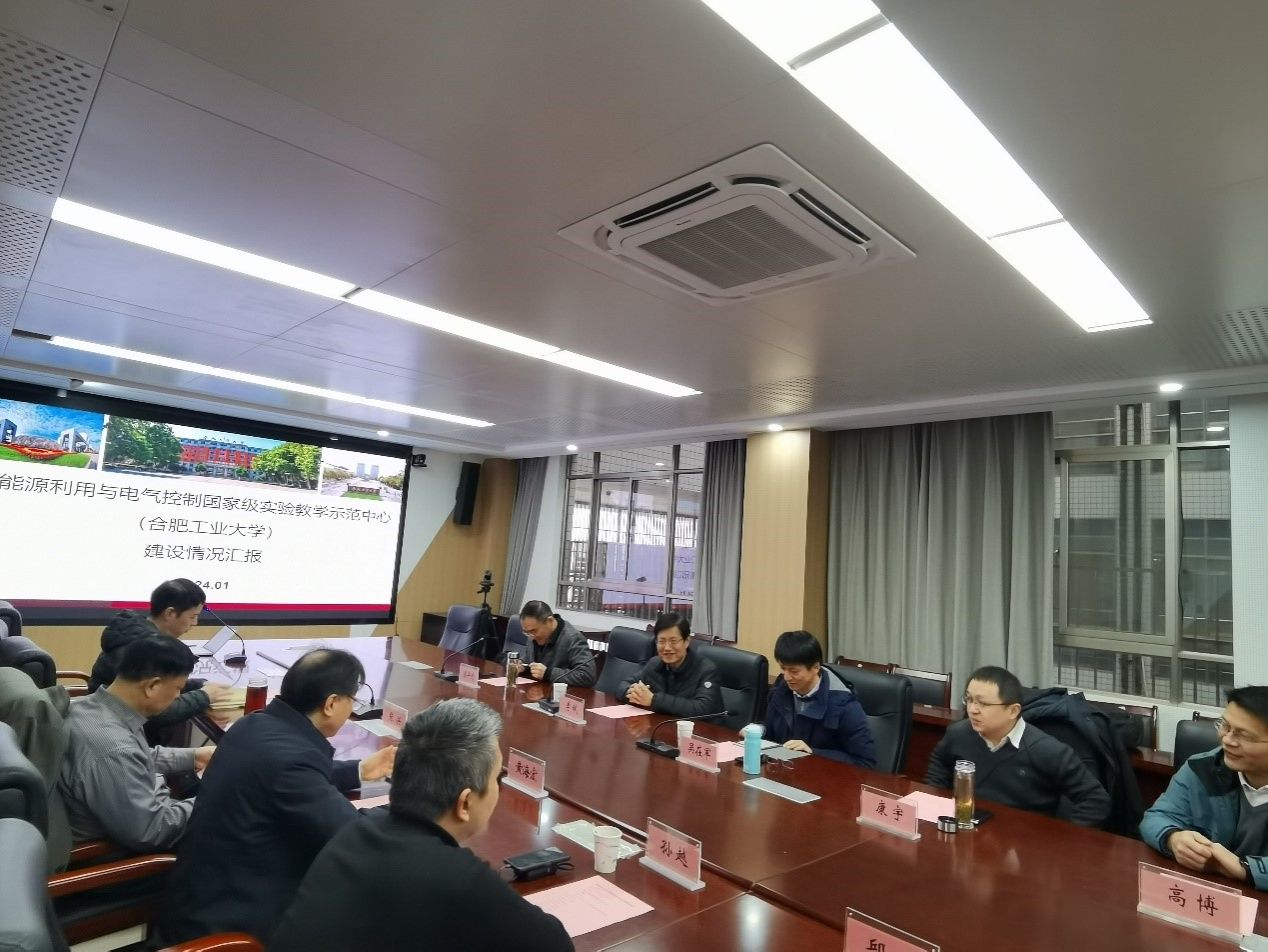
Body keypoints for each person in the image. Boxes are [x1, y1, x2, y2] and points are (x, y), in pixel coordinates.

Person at [271, 698, 573, 952]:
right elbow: (555, 945)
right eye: (497, 778)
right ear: (465, 803)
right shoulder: (460, 880)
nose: (499, 788)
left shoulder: (355, 830)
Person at [156, 648, 397, 946]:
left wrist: (358, 770)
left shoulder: (253, 725)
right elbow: (352, 834)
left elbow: (283, 775)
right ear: (331, 704)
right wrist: (411, 806)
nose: (352, 709)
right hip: (236, 925)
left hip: (194, 898)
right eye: (353, 700)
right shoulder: (293, 761)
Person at [58, 635, 211, 851]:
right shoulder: (115, 749)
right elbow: (152, 831)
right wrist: (215, 799)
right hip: (113, 856)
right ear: (152, 686)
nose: (178, 696)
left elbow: (136, 758)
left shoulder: (90, 707)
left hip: (126, 817)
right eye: (178, 688)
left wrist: (194, 756)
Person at [925, 665, 1110, 827]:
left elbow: (1095, 800)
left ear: (1013, 711)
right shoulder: (958, 733)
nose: (972, 709)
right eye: (969, 700)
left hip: (1023, 841)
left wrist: (1062, 840)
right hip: (970, 829)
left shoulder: (1047, 750)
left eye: (983, 703)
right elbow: (939, 762)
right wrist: (935, 800)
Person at [1140, 686, 1268, 888]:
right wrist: (1173, 838)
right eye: (1225, 726)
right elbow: (1156, 817)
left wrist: (1246, 869)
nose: (1227, 740)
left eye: (1243, 735)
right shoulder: (1203, 768)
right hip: (1211, 890)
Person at [88, 578, 230, 729]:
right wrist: (204, 696)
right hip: (119, 728)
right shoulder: (145, 648)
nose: (195, 623)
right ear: (170, 613)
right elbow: (159, 711)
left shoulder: (137, 633)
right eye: (192, 616)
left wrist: (198, 685)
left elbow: (159, 683)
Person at [764, 630, 876, 767]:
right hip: (785, 771)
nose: (786, 677)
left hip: (824, 776)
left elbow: (865, 763)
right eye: (783, 668)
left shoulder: (844, 705)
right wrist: (758, 732)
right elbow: (770, 737)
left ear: (816, 667)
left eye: (794, 671)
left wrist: (813, 753)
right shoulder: (780, 691)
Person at [617, 612, 724, 718]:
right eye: (662, 641)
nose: (667, 648)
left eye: (673, 641)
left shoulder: (706, 670)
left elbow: (703, 709)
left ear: (687, 641)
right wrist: (632, 692)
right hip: (663, 724)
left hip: (699, 728)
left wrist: (654, 700)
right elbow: (623, 685)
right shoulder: (654, 664)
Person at [510, 600, 597, 686]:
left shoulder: (573, 638)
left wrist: (548, 673)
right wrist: (523, 666)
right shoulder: (532, 633)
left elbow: (587, 676)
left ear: (550, 621)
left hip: (562, 693)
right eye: (526, 632)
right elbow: (529, 659)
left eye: (534, 631)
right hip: (537, 689)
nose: (531, 637)